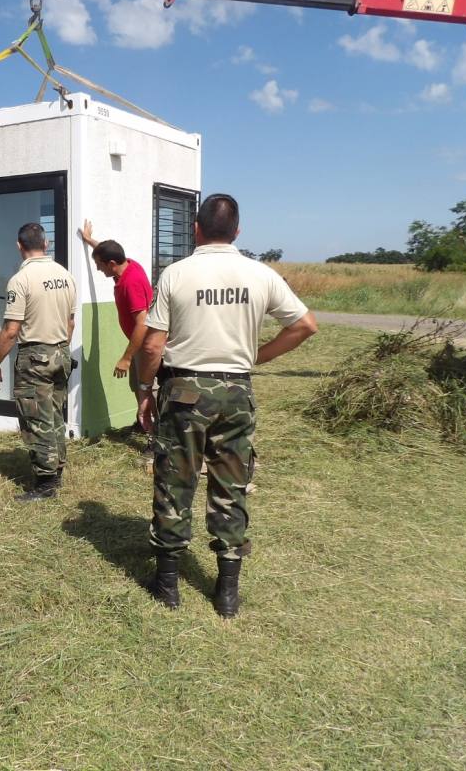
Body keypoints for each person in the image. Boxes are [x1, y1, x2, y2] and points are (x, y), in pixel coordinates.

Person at [135, 194, 317, 618]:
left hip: (184, 390)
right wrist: (256, 356)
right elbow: (305, 325)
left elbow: (154, 344)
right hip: (236, 392)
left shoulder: (176, 274)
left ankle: (167, 585)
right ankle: (227, 592)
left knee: (175, 482)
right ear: (237, 231)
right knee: (231, 486)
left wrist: (144, 389)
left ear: (195, 228)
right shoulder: (260, 274)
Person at [0, 222, 77, 502]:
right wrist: (61, 348)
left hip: (35, 357)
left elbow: (11, 330)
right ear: (46, 243)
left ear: (19, 246)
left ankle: (45, 483)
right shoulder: (65, 275)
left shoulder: (21, 280)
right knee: (54, 415)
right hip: (61, 353)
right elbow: (70, 322)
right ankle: (56, 471)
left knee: (36, 418)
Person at [78, 219, 154, 406]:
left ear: (111, 264)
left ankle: (152, 424)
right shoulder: (128, 265)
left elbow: (142, 322)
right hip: (140, 345)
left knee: (147, 391)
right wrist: (89, 240)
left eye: (99, 264)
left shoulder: (131, 282)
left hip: (147, 346)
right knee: (138, 388)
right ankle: (144, 421)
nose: (98, 268)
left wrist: (126, 358)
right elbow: (108, 252)